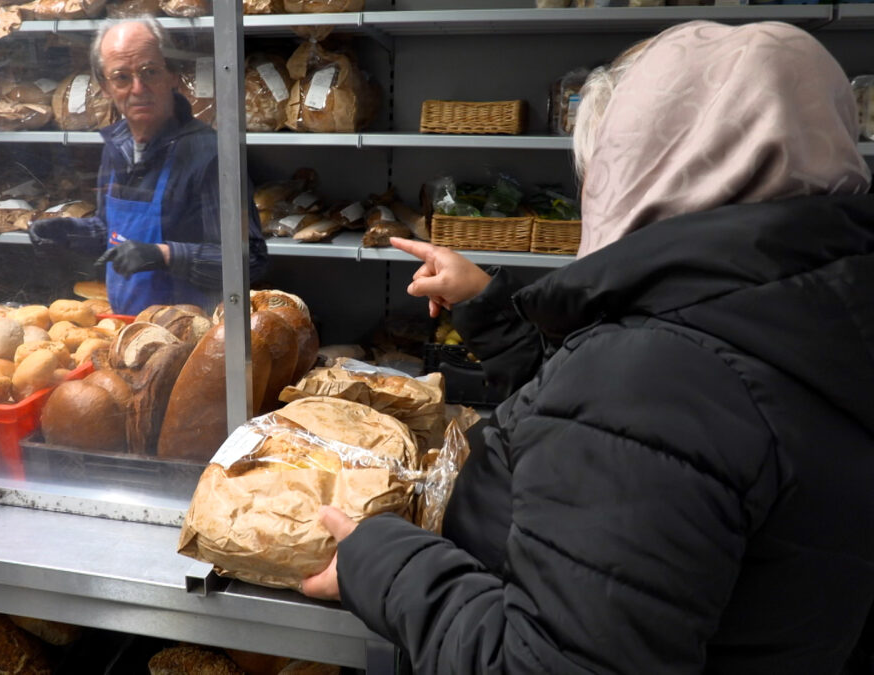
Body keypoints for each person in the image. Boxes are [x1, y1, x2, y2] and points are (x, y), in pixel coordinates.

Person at [301, 20, 874, 674]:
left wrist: (383, 562)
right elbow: (638, 434)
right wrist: (491, 308)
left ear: (652, 159)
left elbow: (546, 660)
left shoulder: (653, 376)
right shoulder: (810, 321)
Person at [29, 17, 268, 315]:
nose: (138, 88)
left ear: (172, 75)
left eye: (149, 72)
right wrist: (68, 232)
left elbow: (251, 259)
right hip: (127, 329)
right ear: (105, 87)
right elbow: (114, 233)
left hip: (192, 337)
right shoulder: (118, 145)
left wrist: (164, 254)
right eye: (121, 78)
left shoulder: (209, 154)